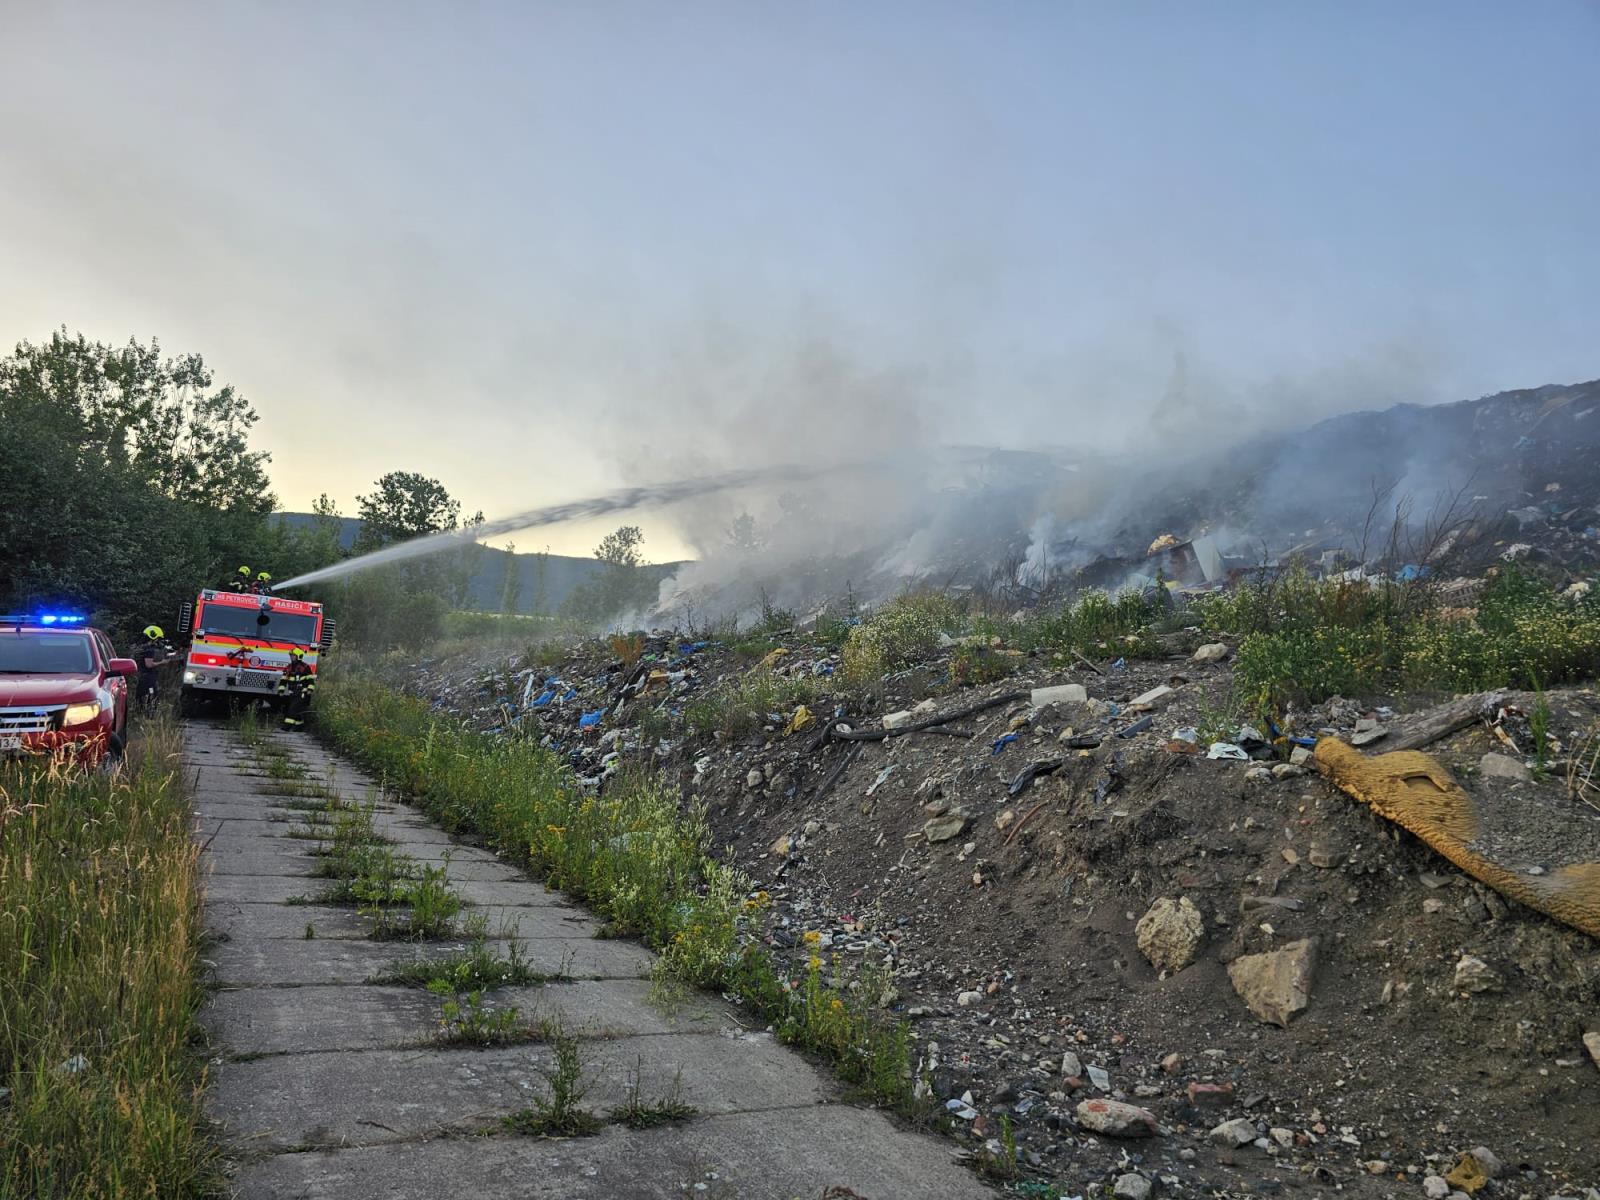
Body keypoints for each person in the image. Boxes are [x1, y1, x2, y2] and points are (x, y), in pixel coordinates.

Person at [131, 625, 168, 712]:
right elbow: (149, 665)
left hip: (142, 675)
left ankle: (140, 711)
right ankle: (149, 712)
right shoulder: (149, 650)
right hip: (148, 677)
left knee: (141, 695)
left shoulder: (142, 648)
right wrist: (162, 662)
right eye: (158, 638)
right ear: (153, 637)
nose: (158, 641)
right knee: (152, 694)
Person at [278, 646, 316, 728]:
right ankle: (299, 726)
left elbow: (310, 680)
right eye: (291, 656)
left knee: (292, 709)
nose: (291, 657)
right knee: (297, 710)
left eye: (293, 656)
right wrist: (281, 690)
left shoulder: (305, 667)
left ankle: (287, 726)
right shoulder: (289, 667)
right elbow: (283, 680)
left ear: (298, 656)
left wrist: (310, 690)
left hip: (302, 693)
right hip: (292, 693)